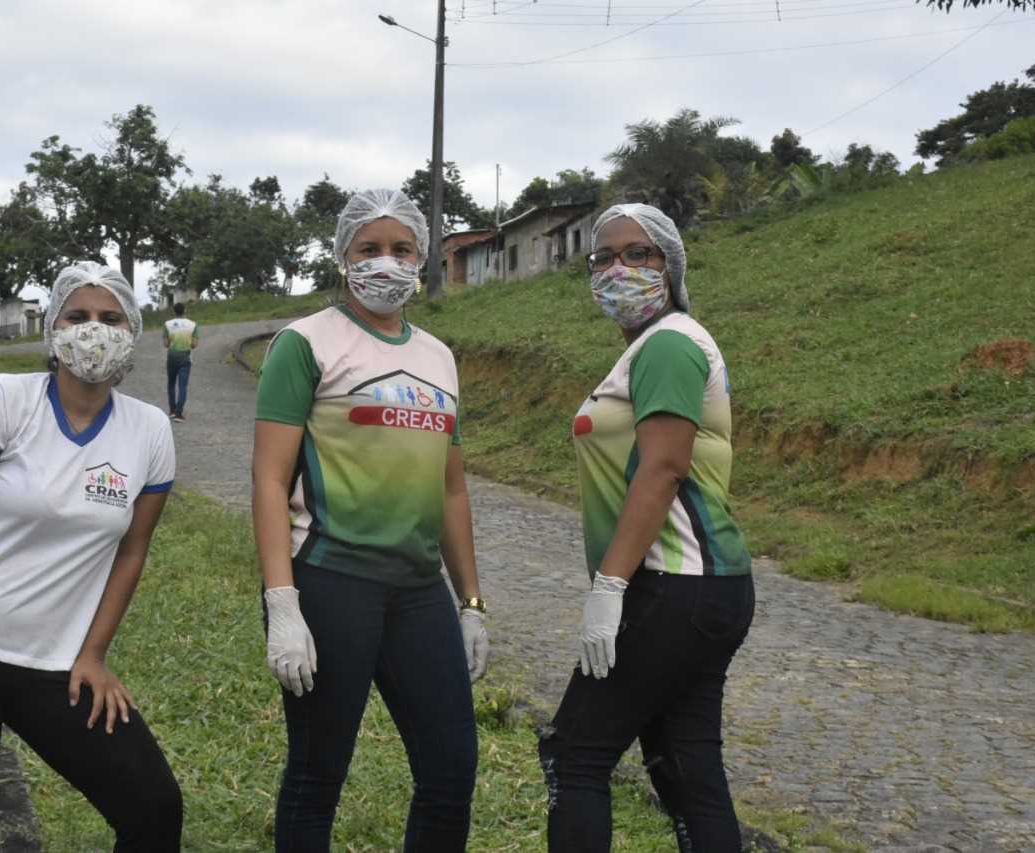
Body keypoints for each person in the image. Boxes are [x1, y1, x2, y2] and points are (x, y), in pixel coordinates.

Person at [0, 262, 182, 852]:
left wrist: (94, 653)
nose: (92, 330)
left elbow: (132, 549)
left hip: (57, 666)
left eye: (109, 318)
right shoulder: (3, 400)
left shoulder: (149, 430)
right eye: (77, 316)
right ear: (52, 328)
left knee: (153, 807)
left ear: (133, 330)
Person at [251, 189, 489, 852]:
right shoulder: (304, 344)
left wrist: (470, 600)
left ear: (422, 258)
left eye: (401, 249)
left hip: (418, 592)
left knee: (451, 770)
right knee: (318, 771)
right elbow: (269, 479)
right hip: (330, 580)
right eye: (370, 249)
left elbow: (451, 487)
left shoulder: (440, 357)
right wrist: (283, 603)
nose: (386, 262)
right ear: (342, 258)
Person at [539, 203, 755, 852]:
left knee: (573, 754)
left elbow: (662, 468)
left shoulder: (668, 344)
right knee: (686, 772)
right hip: (707, 589)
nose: (618, 268)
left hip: (670, 585)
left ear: (671, 264)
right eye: (602, 257)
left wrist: (610, 586)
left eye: (639, 254)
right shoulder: (655, 349)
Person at [162, 302, 199, 422]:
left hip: (172, 356)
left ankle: (172, 411)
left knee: (171, 384)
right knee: (182, 386)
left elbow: (166, 344)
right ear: (185, 310)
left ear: (174, 311)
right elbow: (194, 345)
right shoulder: (193, 325)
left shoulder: (167, 324)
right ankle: (179, 414)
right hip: (185, 357)